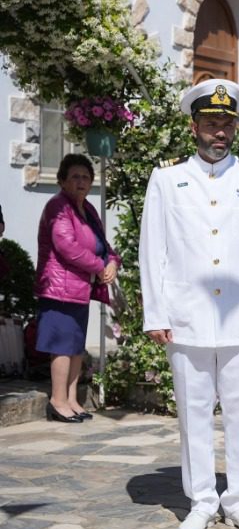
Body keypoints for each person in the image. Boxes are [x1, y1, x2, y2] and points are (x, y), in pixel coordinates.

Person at [140, 79, 239, 529]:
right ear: (194, 127)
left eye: (226, 123)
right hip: (188, 316)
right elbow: (153, 250)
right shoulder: (168, 179)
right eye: (210, 123)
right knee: (193, 413)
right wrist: (156, 313)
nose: (219, 131)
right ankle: (201, 500)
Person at [35, 154, 120, 423]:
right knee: (62, 345)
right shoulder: (58, 206)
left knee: (75, 345)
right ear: (62, 181)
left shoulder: (88, 209)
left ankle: (72, 399)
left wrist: (113, 262)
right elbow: (67, 246)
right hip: (59, 288)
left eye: (85, 177)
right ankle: (58, 401)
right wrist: (99, 266)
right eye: (74, 177)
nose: (81, 181)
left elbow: (102, 245)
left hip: (80, 287)